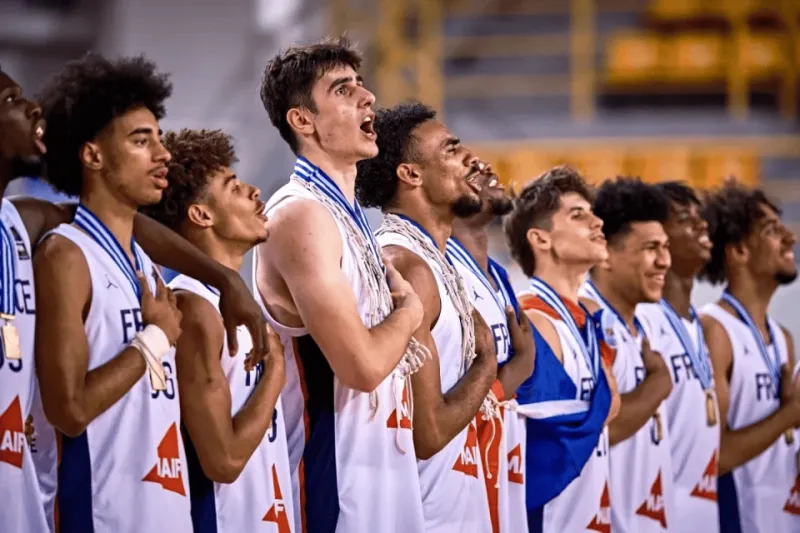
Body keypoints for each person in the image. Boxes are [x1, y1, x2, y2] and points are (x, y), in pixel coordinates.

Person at [0, 64, 267, 533]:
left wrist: (228, 281)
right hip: (99, 516)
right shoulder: (64, 255)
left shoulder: (139, 259)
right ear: (93, 155)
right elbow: (70, 411)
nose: (163, 154)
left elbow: (123, 224)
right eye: (142, 141)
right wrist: (155, 338)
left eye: (158, 138)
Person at [255, 37, 427, 533]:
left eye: (361, 85)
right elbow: (362, 367)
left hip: (381, 470)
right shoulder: (300, 215)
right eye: (343, 90)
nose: (367, 97)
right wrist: (409, 315)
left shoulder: (347, 217)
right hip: (330, 484)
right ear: (302, 120)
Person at [356, 101, 506, 532]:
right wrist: (487, 362)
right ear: (411, 174)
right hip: (425, 514)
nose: (470, 158)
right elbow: (429, 433)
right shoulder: (406, 265)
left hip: (456, 501)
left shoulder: (434, 261)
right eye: (451, 149)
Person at [141, 128, 293, 532]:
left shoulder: (229, 302)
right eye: (234, 187)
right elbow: (222, 461)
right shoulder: (194, 309)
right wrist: (275, 374)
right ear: (202, 215)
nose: (255, 191)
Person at [503, 166, 618, 533]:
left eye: (593, 213)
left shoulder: (588, 321)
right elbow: (535, 447)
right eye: (578, 215)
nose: (597, 223)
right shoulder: (532, 321)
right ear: (541, 239)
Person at [698, 181, 800, 533]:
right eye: (772, 230)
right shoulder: (715, 330)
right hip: (740, 521)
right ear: (739, 251)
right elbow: (713, 457)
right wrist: (791, 414)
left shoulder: (782, 338)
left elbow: (780, 447)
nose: (790, 238)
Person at [578, 178, 675, 533]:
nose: (664, 261)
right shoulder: (586, 320)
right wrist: (659, 384)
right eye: (651, 248)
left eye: (665, 247)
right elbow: (596, 431)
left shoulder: (642, 324)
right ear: (605, 254)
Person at [446, 165, 535, 533]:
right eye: (461, 159)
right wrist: (517, 369)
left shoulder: (498, 274)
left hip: (503, 460)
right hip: (460, 475)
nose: (484, 168)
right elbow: (438, 409)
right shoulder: (441, 272)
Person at [635, 181, 720, 533]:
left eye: (700, 216)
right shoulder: (644, 320)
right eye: (685, 218)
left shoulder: (695, 323)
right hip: (656, 516)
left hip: (702, 514)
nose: (702, 225)